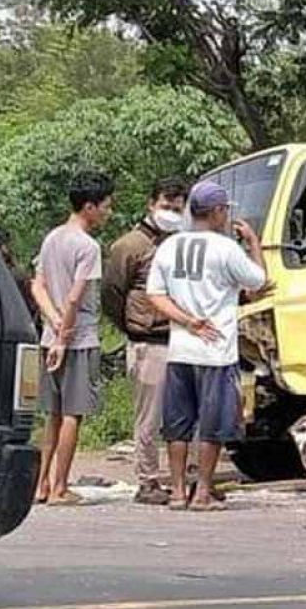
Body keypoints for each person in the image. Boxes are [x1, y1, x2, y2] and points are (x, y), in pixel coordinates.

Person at [146, 180, 267, 511]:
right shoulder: (226, 249)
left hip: (181, 349)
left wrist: (186, 321)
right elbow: (258, 283)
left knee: (177, 424)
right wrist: (254, 243)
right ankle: (202, 494)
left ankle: (177, 492)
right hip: (216, 350)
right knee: (211, 425)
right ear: (215, 212)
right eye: (225, 210)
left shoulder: (169, 247)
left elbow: (155, 295)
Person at [102, 176, 189, 506]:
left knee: (181, 415)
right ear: (151, 205)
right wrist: (131, 326)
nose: (171, 212)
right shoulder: (130, 246)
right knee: (149, 417)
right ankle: (148, 480)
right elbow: (112, 292)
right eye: (166, 206)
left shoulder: (182, 242)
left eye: (178, 208)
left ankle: (182, 477)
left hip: (180, 338)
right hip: (147, 342)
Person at [31, 171, 115, 506]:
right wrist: (64, 338)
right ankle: (60, 487)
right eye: (106, 206)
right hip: (77, 339)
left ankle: (40, 485)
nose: (108, 213)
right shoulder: (88, 247)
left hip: (51, 334)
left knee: (52, 413)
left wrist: (52, 327)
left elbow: (37, 286)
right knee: (72, 413)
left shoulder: (52, 238)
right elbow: (75, 298)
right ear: (90, 207)